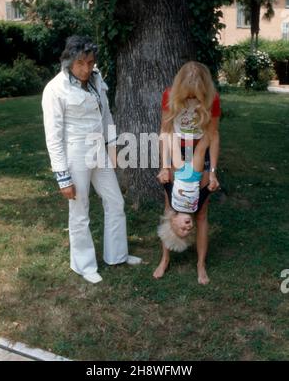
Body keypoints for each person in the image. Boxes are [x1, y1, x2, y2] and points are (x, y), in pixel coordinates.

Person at [42, 35, 141, 284]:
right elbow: (53, 137)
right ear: (69, 61)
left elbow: (106, 115)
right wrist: (63, 178)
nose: (86, 69)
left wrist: (113, 146)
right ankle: (84, 265)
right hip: (75, 154)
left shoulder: (97, 79)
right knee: (80, 210)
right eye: (81, 64)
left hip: (100, 150)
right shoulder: (55, 89)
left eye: (90, 62)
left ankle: (117, 255)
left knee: (115, 201)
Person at [154, 61, 221, 284]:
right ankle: (164, 259)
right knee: (169, 208)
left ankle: (200, 264)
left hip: (201, 150)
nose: (192, 100)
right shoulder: (169, 95)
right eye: (188, 95)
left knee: (201, 214)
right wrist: (164, 166)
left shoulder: (213, 99)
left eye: (196, 96)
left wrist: (212, 172)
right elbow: (165, 131)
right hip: (176, 151)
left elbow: (213, 134)